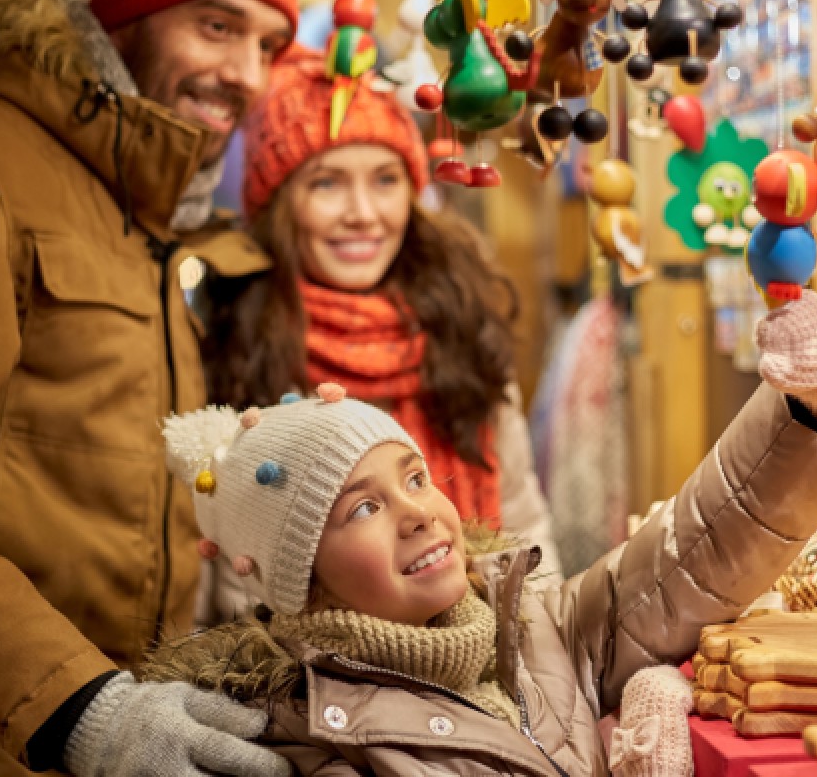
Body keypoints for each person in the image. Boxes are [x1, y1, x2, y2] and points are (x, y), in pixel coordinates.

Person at [0, 0, 300, 774]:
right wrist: (81, 708)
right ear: (123, 19)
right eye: (217, 25)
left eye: (269, 45)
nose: (250, 76)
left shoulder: (140, 210)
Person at [147, 288, 817, 775]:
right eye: (361, 510)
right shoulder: (323, 745)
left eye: (413, 478)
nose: (414, 512)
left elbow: (688, 558)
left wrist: (805, 415)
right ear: (300, 582)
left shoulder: (537, 629)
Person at [198, 48, 563, 622]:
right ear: (278, 204)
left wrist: (541, 657)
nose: (364, 213)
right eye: (327, 184)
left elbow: (521, 522)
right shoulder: (237, 347)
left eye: (386, 179)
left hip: (491, 656)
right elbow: (236, 591)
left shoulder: (457, 322)